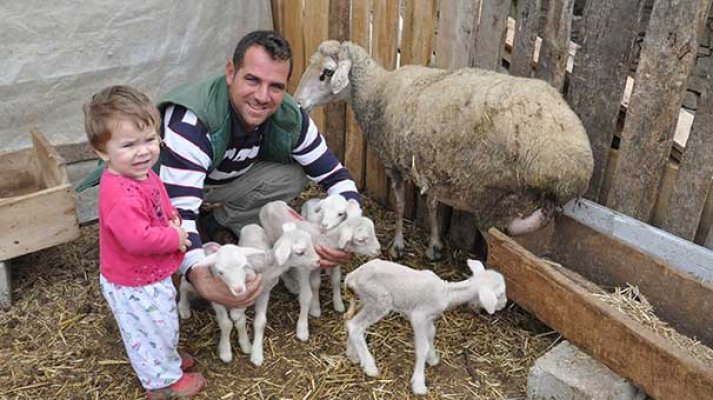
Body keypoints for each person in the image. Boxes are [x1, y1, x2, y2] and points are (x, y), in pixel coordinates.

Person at [157, 30, 360, 309]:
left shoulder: (290, 116)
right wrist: (198, 273)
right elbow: (177, 210)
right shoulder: (191, 122)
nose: (262, 96)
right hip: (160, 194)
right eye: (252, 80)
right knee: (170, 264)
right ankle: (201, 239)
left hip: (216, 183)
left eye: (275, 86)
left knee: (293, 176)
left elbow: (336, 176)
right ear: (231, 73)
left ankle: (216, 222)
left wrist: (346, 230)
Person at [84, 85, 205, 398]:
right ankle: (162, 383)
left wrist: (172, 217)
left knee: (162, 323)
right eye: (128, 144)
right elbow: (137, 239)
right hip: (133, 283)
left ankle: (165, 360)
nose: (143, 151)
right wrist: (175, 236)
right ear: (101, 151)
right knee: (149, 328)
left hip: (148, 275)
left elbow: (161, 200)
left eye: (150, 139)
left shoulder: (142, 173)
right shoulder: (119, 193)